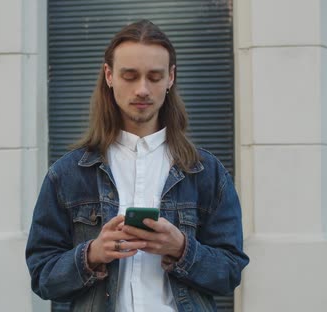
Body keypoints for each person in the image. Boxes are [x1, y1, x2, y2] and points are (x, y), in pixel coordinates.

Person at [25, 19, 249, 312]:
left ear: (171, 77)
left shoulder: (206, 172)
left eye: (154, 77)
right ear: (109, 75)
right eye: (129, 76)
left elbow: (230, 272)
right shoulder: (67, 173)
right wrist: (91, 254)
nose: (142, 89)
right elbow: (42, 275)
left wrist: (182, 248)